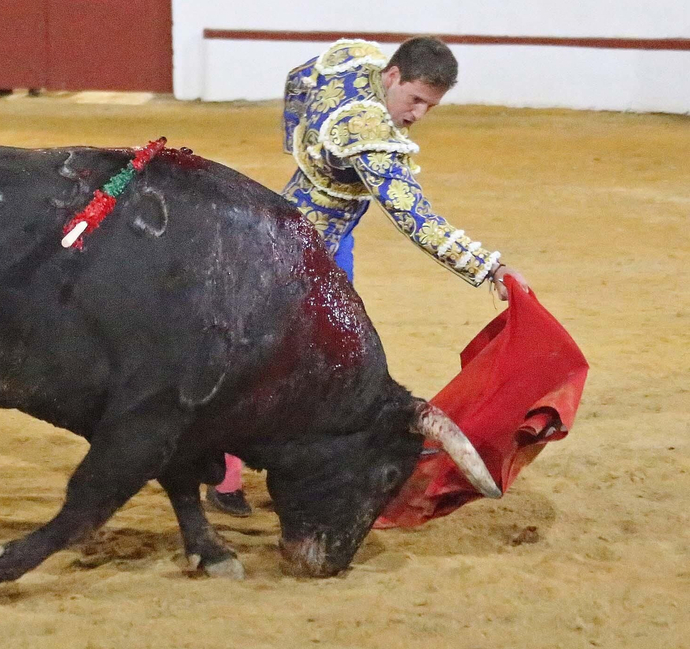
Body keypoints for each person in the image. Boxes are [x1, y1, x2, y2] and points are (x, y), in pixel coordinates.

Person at [208, 37, 522, 517]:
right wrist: (487, 266)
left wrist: (301, 145)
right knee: (281, 363)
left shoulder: (355, 62)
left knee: (307, 361)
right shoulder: (365, 131)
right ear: (394, 76)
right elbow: (414, 217)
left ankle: (259, 468)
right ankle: (230, 474)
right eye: (414, 99)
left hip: (304, 228)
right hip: (308, 256)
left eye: (429, 107)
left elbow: (299, 77)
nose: (417, 115)